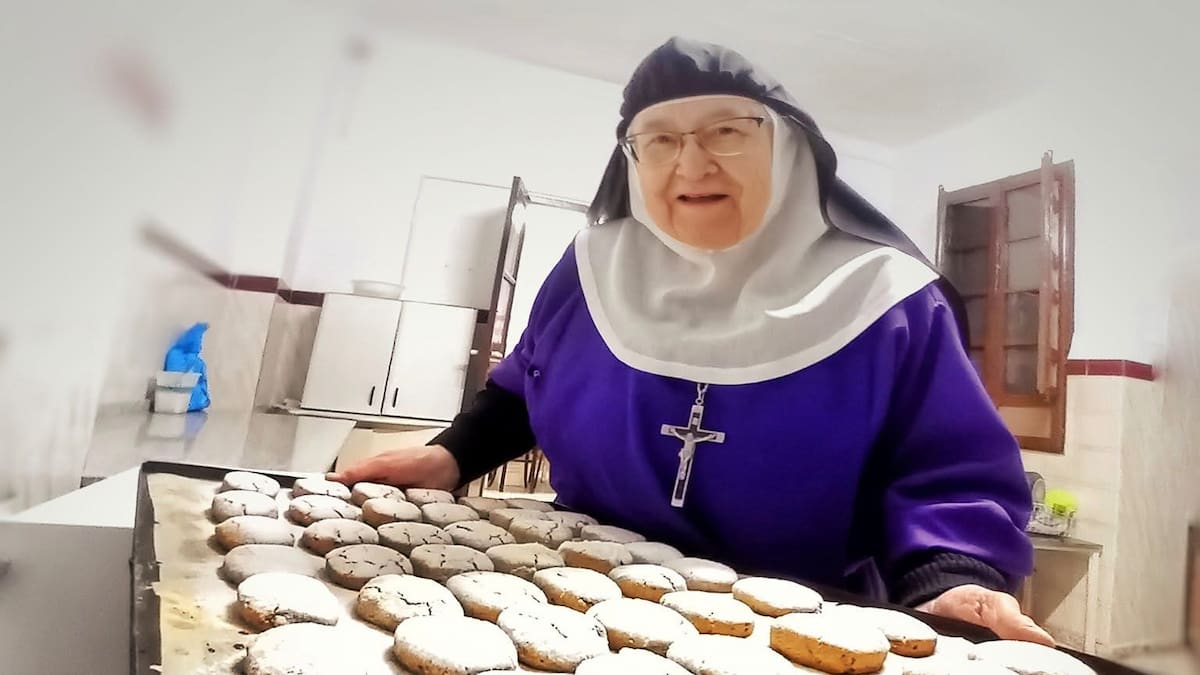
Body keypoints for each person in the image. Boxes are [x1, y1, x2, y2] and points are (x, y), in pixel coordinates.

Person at [331, 37, 1050, 644]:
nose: (692, 163)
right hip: (569, 596)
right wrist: (451, 453)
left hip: (800, 623)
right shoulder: (592, 267)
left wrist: (953, 580)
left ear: (791, 147)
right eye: (661, 140)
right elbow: (529, 381)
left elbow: (948, 474)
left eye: (727, 132)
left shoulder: (891, 300)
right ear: (632, 160)